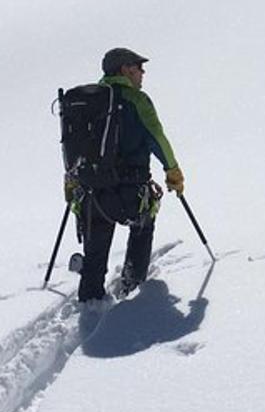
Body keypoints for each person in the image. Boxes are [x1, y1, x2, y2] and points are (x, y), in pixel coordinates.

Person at [70, 47, 184, 301]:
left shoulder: (87, 102)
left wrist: (71, 184)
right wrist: (172, 171)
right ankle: (132, 289)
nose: (142, 73)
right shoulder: (136, 100)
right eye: (138, 68)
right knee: (143, 223)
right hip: (130, 191)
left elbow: (72, 146)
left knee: (96, 245)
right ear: (124, 70)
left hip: (90, 191)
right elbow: (157, 137)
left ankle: (90, 298)